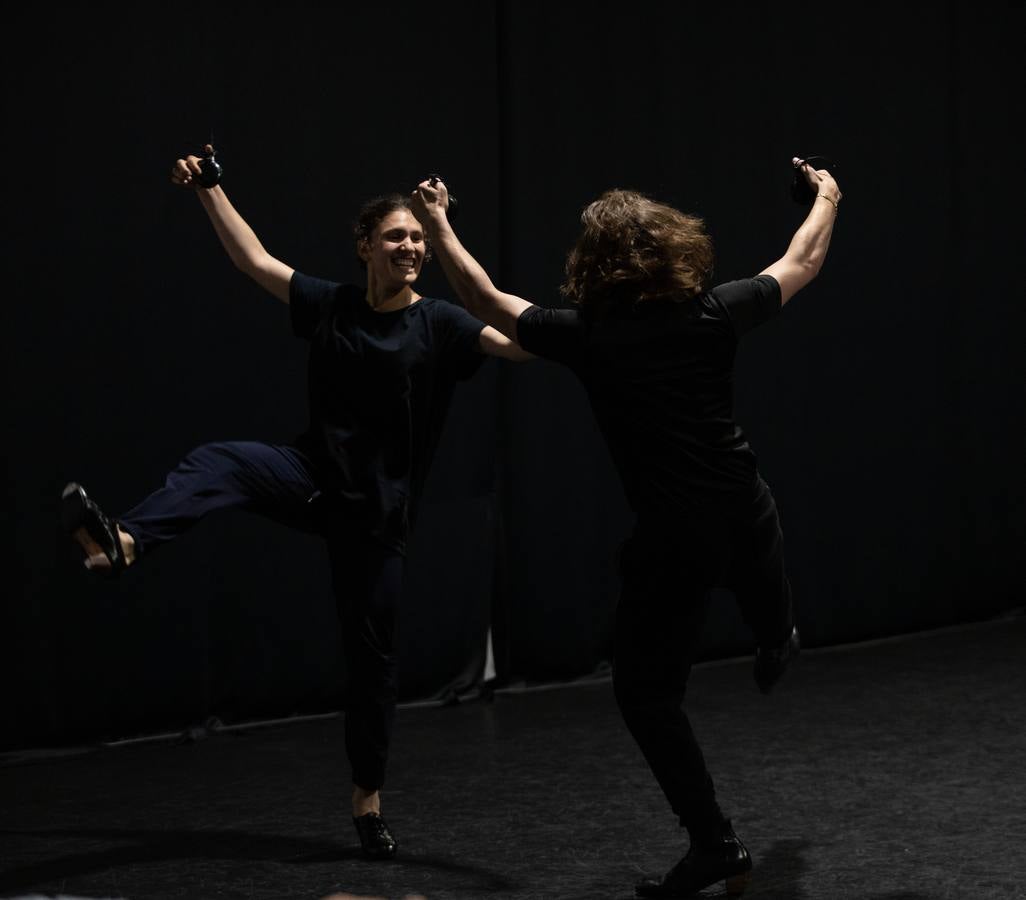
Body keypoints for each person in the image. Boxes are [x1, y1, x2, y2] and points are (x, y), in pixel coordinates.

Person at [60, 146, 531, 860]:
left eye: (418, 239)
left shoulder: (440, 324)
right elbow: (255, 261)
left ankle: (366, 800)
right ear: (366, 245)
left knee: (374, 668)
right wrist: (211, 189)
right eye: (396, 236)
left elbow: (516, 344)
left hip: (376, 517)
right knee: (219, 461)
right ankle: (123, 543)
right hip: (311, 479)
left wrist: (454, 237)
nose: (409, 247)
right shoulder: (333, 305)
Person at [409, 158, 841, 897]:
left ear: (594, 265)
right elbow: (802, 258)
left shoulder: (589, 336)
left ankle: (715, 844)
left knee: (646, 697)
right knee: (763, 580)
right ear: (675, 248)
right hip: (744, 507)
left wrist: (437, 221)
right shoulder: (715, 311)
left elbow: (482, 296)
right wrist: (828, 194)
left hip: (675, 538)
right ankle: (775, 634)